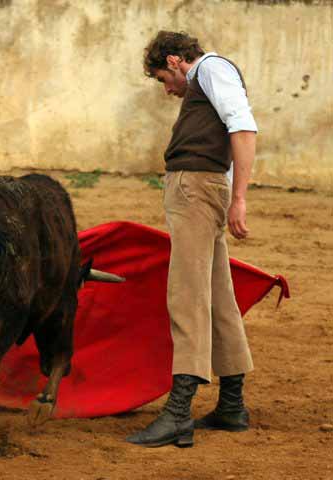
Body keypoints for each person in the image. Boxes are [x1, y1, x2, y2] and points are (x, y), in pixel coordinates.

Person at [126, 31, 257, 448]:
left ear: (176, 60)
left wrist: (238, 198)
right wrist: (229, 194)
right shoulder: (211, 77)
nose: (167, 89)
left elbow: (243, 127)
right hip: (206, 188)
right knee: (218, 295)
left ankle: (179, 412)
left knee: (187, 295)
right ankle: (232, 405)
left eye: (164, 78)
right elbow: (234, 130)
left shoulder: (211, 70)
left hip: (195, 189)